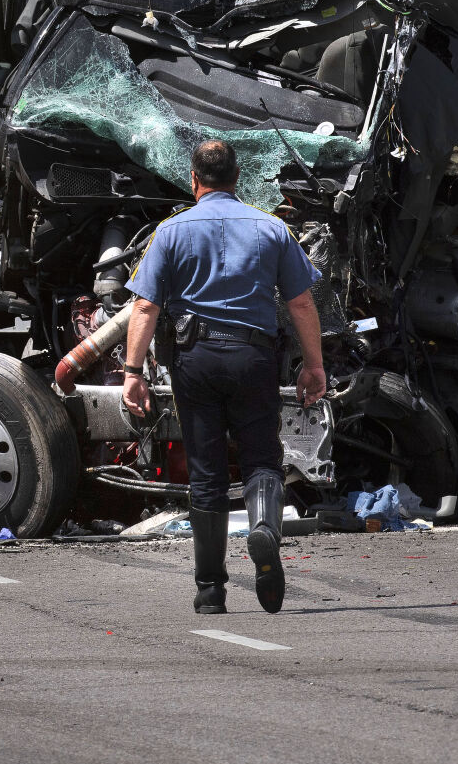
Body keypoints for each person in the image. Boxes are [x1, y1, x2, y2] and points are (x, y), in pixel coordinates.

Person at [122, 140, 327, 616]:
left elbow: (146, 306)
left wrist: (133, 372)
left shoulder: (170, 232)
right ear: (238, 178)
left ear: (194, 180)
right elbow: (300, 303)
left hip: (195, 360)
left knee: (208, 476)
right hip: (253, 357)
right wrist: (313, 367)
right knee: (261, 460)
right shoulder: (271, 228)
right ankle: (263, 530)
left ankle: (210, 590)